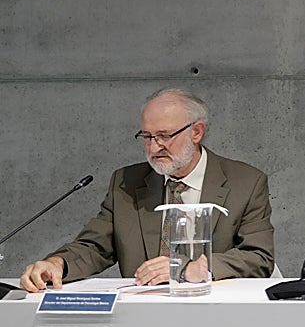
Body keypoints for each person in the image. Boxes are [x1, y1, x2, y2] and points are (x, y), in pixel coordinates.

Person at [19, 88, 275, 291]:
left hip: (216, 315)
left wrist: (193, 269)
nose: (154, 148)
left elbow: (258, 257)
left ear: (196, 132)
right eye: (147, 136)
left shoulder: (245, 182)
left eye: (164, 136)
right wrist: (57, 263)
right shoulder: (126, 183)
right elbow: (95, 247)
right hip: (141, 317)